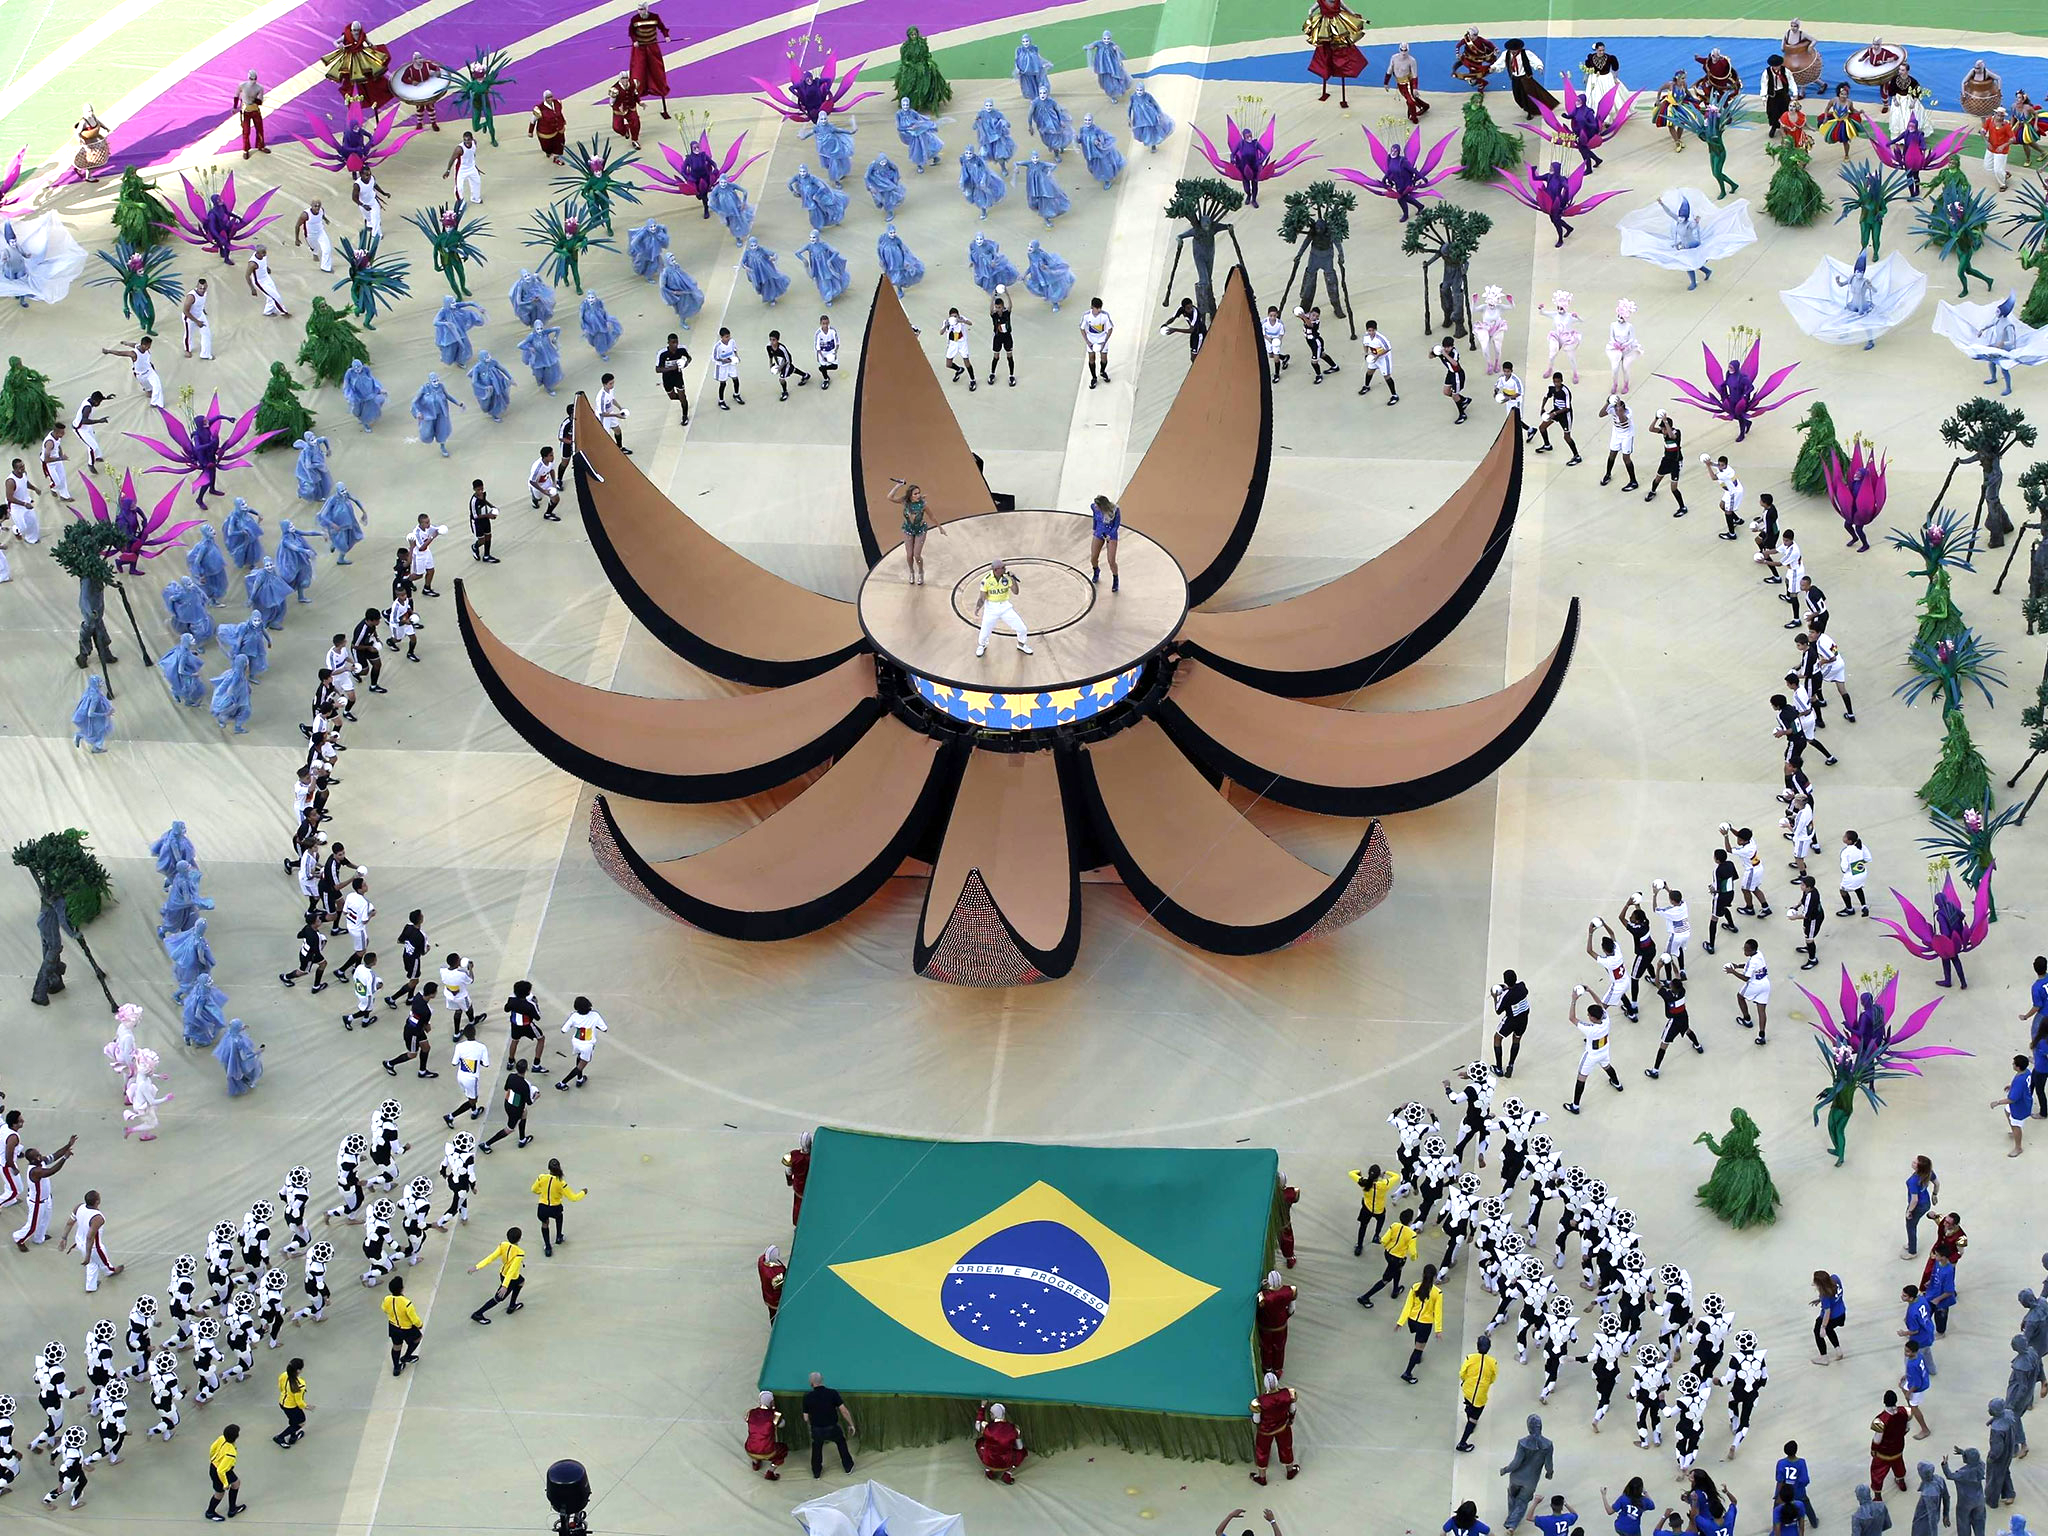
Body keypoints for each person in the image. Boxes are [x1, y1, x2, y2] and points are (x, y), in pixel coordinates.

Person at [1565, 987, 1624, 1114]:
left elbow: (1572, 1018)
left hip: (1591, 1056)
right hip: (1604, 1051)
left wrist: (1574, 1000)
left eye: (1589, 1015)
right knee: (1607, 1066)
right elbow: (1600, 1004)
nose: (1588, 1016)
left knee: (1581, 1078)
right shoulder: (1606, 1020)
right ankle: (1617, 1084)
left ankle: (1575, 1106)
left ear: (1593, 1018)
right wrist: (1590, 990)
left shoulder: (1590, 1029)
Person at [14, 1136, 78, 1251]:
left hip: (46, 1198)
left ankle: (39, 1238)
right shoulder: (35, 1171)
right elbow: (51, 1171)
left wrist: (68, 1145)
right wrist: (65, 1158)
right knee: (32, 1226)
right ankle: (19, 1238)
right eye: (37, 1155)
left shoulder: (40, 1160)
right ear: (33, 1160)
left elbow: (54, 1155)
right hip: (37, 1202)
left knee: (45, 1220)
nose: (40, 1155)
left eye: (39, 1153)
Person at [59, 1189, 123, 1291]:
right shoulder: (97, 1218)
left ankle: (91, 1286)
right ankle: (111, 1271)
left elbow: (69, 1223)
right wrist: (87, 1256)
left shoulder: (79, 1207)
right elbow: (90, 1237)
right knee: (103, 1262)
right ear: (97, 1202)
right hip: (93, 1247)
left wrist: (64, 1238)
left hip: (79, 1241)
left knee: (92, 1263)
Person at [973, 558, 1034, 658]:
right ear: (996, 570)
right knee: (984, 632)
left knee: (1022, 629)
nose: (1005, 569)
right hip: (991, 608)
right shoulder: (986, 580)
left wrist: (1013, 579)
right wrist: (977, 608)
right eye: (1002, 567)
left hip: (1005, 607)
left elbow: (1016, 592)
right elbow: (982, 597)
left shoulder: (1007, 578)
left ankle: (1021, 644)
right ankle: (982, 645)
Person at [1395, 1261, 1444, 1383]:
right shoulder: (1437, 1293)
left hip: (1412, 1321)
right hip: (1425, 1324)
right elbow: (1437, 1313)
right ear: (1434, 1277)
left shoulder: (1415, 1287)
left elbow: (1408, 1306)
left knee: (1418, 1340)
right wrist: (1438, 1330)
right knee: (1419, 1348)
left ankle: (1416, 1357)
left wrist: (1400, 1322)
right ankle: (1408, 1372)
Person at [1358, 1207, 1417, 1306]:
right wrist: (1413, 1258)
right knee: (1386, 1279)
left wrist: (1387, 1247)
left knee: (1397, 1270)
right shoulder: (1412, 1234)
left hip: (1388, 1253)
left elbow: (1384, 1240)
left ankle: (1395, 1290)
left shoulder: (1394, 1225)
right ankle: (1365, 1297)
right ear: (1410, 1221)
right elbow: (1413, 1252)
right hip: (1398, 1258)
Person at [803, 1371, 856, 1477]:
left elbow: (805, 1417)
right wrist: (851, 1424)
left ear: (811, 1383)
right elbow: (843, 1410)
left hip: (817, 1429)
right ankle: (848, 1467)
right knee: (841, 1443)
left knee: (816, 1449)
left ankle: (816, 1472)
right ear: (822, 1380)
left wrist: (812, 1426)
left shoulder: (807, 1397)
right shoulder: (832, 1393)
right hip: (832, 1427)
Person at [469, 1227, 525, 1322]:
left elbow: (491, 1257)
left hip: (503, 1274)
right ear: (519, 1238)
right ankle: (478, 1314)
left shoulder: (503, 1245)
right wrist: (505, 1285)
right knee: (498, 1298)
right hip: (510, 1278)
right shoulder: (520, 1253)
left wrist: (478, 1266)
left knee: (521, 1282)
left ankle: (512, 1306)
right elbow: (512, 1270)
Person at [530, 1159, 584, 1254]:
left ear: (548, 1168)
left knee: (545, 1223)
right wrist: (583, 1192)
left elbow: (534, 1189)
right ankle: (559, 1236)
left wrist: (542, 1192)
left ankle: (548, 1247)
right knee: (559, 1216)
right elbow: (573, 1198)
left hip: (542, 1208)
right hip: (555, 1208)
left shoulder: (541, 1177)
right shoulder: (561, 1183)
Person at [1456, 1334, 1498, 1451]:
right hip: (1480, 1394)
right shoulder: (1492, 1362)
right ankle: (1463, 1442)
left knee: (1469, 1405)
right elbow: (1493, 1378)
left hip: (1468, 1389)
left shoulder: (1470, 1358)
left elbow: (1462, 1373)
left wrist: (1466, 1380)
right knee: (1474, 1418)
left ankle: (1469, 1414)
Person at [556, 996, 607, 1089]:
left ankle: (579, 1079)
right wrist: (594, 1026)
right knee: (580, 1066)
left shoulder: (574, 1015)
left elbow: (563, 1030)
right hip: (587, 1045)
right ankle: (562, 1083)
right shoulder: (595, 1015)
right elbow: (604, 1028)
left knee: (579, 1057)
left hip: (576, 1042)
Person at [1727, 938, 1772, 1043]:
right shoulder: (1758, 954)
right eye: (1744, 948)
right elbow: (1749, 965)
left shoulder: (1752, 961)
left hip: (1755, 984)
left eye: (1747, 949)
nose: (1744, 951)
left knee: (1740, 997)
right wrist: (1738, 965)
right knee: (1761, 1011)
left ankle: (1747, 1019)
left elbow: (1746, 978)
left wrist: (1733, 971)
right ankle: (1761, 1036)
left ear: (1752, 950)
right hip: (1765, 984)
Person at [975, 1401, 1027, 1482]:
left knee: (979, 1443)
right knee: (1022, 1452)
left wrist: (982, 1407)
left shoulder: (985, 1427)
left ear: (992, 1415)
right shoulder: (1015, 1429)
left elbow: (977, 1423)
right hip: (1006, 1464)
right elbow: (1019, 1447)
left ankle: (988, 1471)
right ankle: (1008, 1473)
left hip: (988, 1462)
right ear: (1004, 1414)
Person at [1491, 970, 1530, 1075]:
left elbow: (1498, 1010)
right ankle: (1511, 1065)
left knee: (1497, 1038)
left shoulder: (1506, 995)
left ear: (1505, 981)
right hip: (1523, 1019)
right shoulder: (1522, 986)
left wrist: (1495, 997)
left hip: (1511, 1020)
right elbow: (1515, 989)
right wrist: (1506, 987)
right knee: (1516, 1040)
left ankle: (1499, 1068)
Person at [381, 1276, 422, 1377]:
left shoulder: (387, 1299)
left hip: (393, 1326)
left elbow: (384, 1309)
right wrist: (419, 1325)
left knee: (396, 1346)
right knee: (417, 1338)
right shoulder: (407, 1303)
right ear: (402, 1288)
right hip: (406, 1328)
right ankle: (407, 1357)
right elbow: (414, 1318)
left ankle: (396, 1368)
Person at [1874, 1390, 1912, 1496]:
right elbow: (1907, 1428)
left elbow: (1877, 1439)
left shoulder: (1880, 1420)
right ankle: (1901, 1481)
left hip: (1884, 1451)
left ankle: (1877, 1495)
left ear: (1884, 1401)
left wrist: (1873, 1449)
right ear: (1896, 1400)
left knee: (1878, 1471)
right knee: (1898, 1464)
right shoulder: (1905, 1411)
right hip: (1898, 1447)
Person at [1350, 1163, 1394, 1253]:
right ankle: (1376, 1236)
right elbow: (1396, 1176)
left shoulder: (1363, 1183)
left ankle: (1359, 1245)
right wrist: (1386, 1172)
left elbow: (1351, 1173)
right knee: (1380, 1221)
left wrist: (1358, 1172)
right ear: (1378, 1175)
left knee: (1363, 1226)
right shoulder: (1384, 1185)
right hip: (1379, 1210)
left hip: (1367, 1209)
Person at [204, 1423, 242, 1522]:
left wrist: (212, 1459)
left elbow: (212, 1448)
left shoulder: (222, 1438)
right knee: (219, 1493)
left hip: (216, 1465)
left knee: (236, 1483)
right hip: (219, 1472)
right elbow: (220, 1471)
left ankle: (232, 1509)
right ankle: (210, 1512)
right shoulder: (230, 1453)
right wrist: (225, 1484)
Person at [1996, 1056, 2029, 1156]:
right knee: (2007, 1111)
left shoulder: (2020, 1081)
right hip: (2021, 1102)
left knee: (2016, 1125)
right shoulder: (2026, 1071)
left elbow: (2011, 1099)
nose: (2012, 1064)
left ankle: (2018, 1148)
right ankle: (2014, 1132)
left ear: (2018, 1067)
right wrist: (2011, 1086)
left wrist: (1997, 1102)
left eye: (2014, 1063)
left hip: (2019, 1107)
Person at [1359, 320, 1397, 401]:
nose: (1371, 332)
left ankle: (1394, 395)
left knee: (1386, 376)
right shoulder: (1366, 337)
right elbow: (1365, 344)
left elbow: (1387, 348)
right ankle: (1366, 386)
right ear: (1367, 330)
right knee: (1369, 371)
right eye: (1369, 330)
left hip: (1383, 358)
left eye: (1373, 330)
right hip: (1374, 357)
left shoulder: (1381, 339)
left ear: (1376, 329)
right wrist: (1366, 353)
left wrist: (1377, 356)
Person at [1089, 495, 1121, 590]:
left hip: (1110, 534)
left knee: (1111, 560)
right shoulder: (1094, 507)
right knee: (1093, 557)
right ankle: (1096, 570)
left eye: (1097, 505)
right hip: (1099, 532)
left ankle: (1115, 579)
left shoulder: (1114, 510)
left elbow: (1116, 525)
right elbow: (1095, 518)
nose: (1095, 506)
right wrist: (1094, 529)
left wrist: (1110, 535)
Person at [273, 1360, 308, 1447]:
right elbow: (299, 1402)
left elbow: (280, 1387)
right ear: (298, 1371)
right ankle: (280, 1437)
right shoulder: (300, 1384)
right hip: (292, 1406)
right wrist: (307, 1406)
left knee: (293, 1420)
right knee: (301, 1422)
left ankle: (293, 1437)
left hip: (282, 1402)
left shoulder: (284, 1375)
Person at [1080, 297, 1113, 386]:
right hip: (1091, 339)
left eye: (1100, 308)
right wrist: (1087, 341)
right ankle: (1094, 377)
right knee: (1091, 358)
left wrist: (1104, 341)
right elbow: (1082, 329)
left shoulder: (1105, 315)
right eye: (1097, 308)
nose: (1099, 310)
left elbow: (1110, 329)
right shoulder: (1086, 315)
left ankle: (1102, 372)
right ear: (1092, 307)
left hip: (1102, 338)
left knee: (1104, 358)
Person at [712, 327, 743, 408]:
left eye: (729, 336)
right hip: (722, 367)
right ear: (721, 337)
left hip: (731, 364)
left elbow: (735, 349)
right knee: (723, 384)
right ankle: (721, 401)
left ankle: (736, 395)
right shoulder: (718, 346)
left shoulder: (732, 341)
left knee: (736, 379)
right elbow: (714, 358)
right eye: (726, 337)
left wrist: (737, 356)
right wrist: (723, 360)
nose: (728, 338)